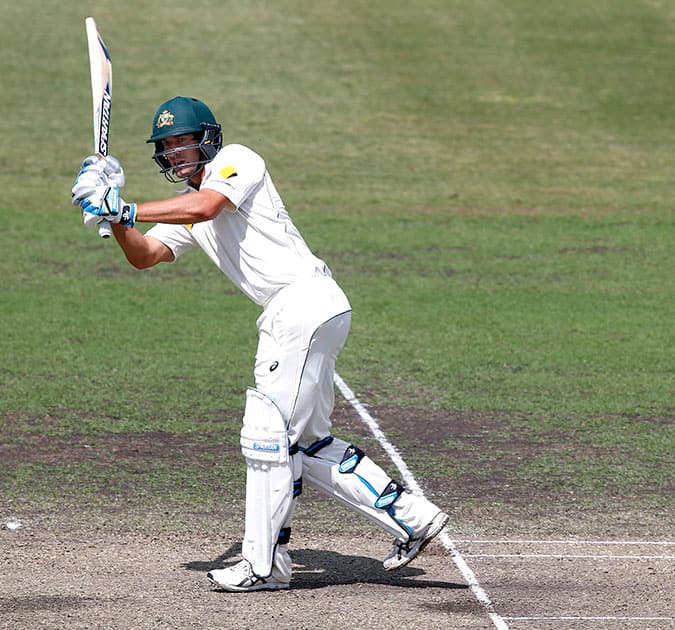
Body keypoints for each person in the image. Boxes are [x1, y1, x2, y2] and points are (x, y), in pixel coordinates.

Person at [71, 96, 448, 592]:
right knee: (306, 445)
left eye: (184, 141)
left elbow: (207, 205)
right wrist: (116, 215)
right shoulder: (182, 210)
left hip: (302, 305)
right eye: (168, 146)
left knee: (267, 436)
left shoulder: (237, 161)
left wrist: (126, 205)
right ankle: (414, 517)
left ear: (206, 138)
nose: (177, 152)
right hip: (304, 312)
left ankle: (263, 565)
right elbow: (146, 255)